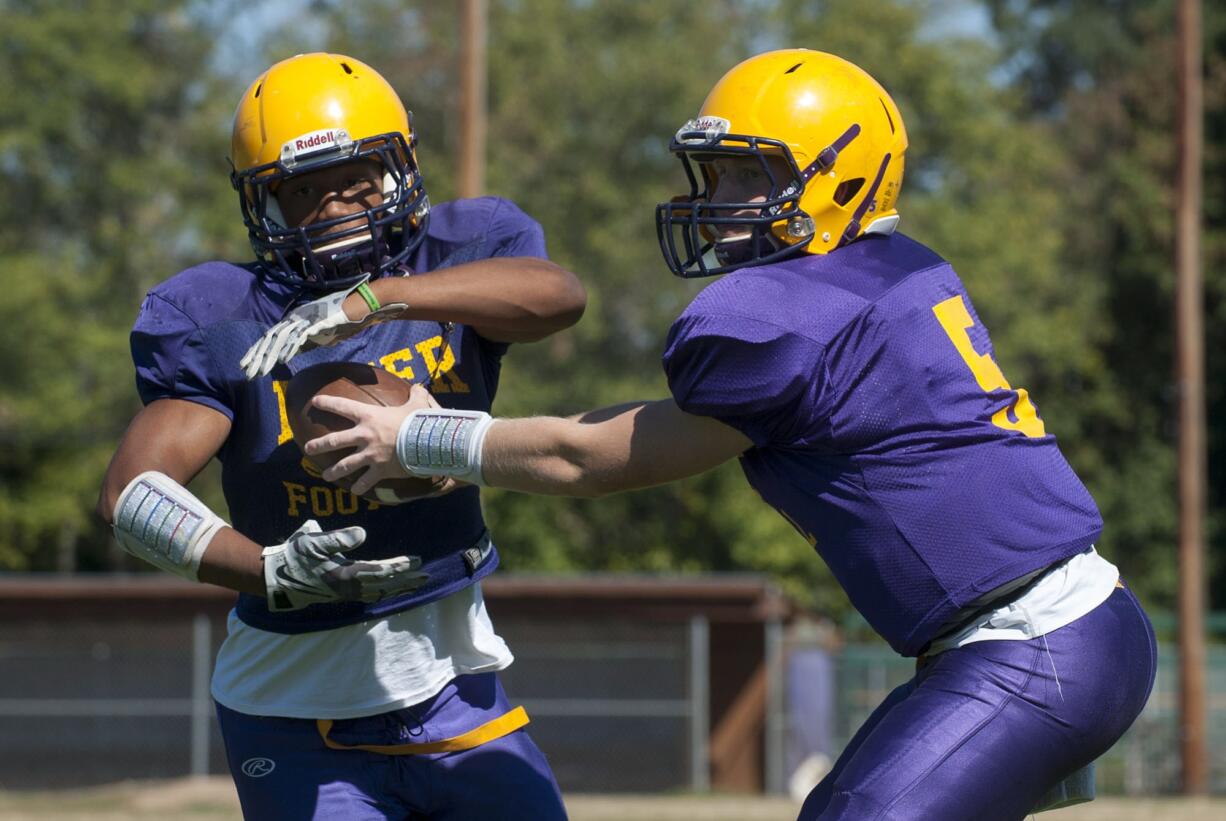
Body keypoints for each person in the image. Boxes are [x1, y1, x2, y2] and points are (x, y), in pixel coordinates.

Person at [288, 50, 1158, 820]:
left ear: (840, 179)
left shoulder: (793, 313)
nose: (719, 204)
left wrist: (425, 436)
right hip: (1062, 631)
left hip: (1033, 644)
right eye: (716, 177)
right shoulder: (891, 270)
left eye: (747, 178)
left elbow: (589, 455)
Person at [96, 52, 584, 821]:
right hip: (293, 705)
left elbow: (559, 297)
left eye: (354, 178)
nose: (335, 209)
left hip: (453, 674)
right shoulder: (227, 315)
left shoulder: (458, 253)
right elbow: (131, 494)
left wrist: (378, 299)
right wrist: (270, 570)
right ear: (264, 204)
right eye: (303, 191)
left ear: (400, 167)